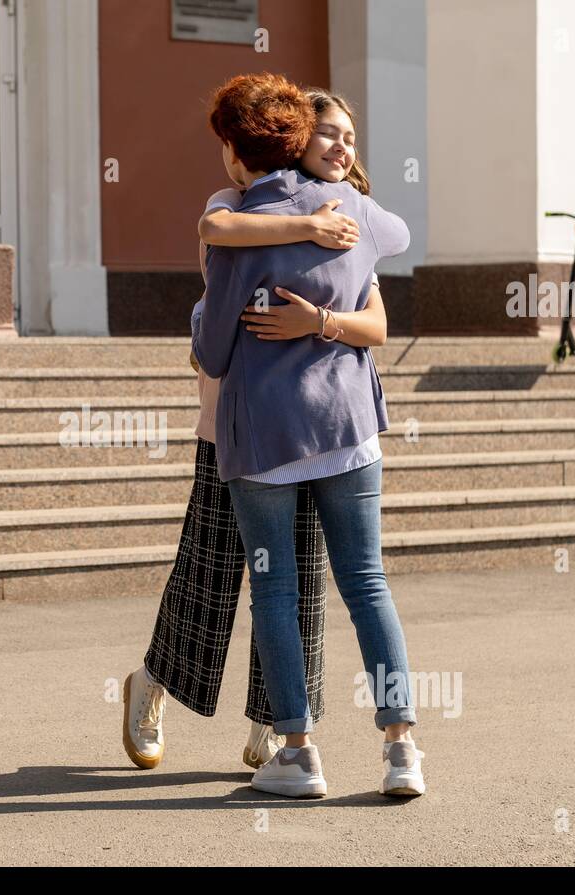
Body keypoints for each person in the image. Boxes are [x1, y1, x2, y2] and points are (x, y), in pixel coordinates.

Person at [122, 82, 389, 773]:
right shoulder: (238, 201)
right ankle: (151, 683)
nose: (337, 148)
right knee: (208, 576)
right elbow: (218, 231)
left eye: (345, 137)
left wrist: (320, 313)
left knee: (297, 582)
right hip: (229, 423)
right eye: (324, 133)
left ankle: (277, 724)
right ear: (294, 142)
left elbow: (378, 321)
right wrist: (305, 227)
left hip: (311, 427)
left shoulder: (345, 215)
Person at [194, 72, 424, 799]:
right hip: (349, 426)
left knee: (275, 592)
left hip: (264, 438)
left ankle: (297, 754)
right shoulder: (351, 206)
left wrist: (210, 318)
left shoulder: (236, 225)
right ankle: (401, 749)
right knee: (366, 583)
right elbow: (395, 236)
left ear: (235, 149)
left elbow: (214, 353)